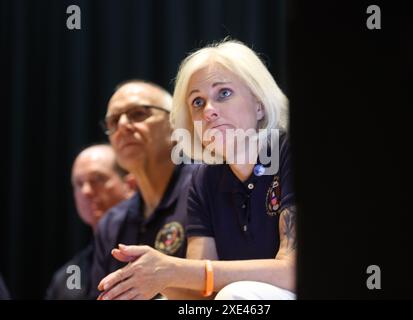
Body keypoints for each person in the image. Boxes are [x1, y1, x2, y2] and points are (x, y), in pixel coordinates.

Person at [96, 40, 297, 300]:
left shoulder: (289, 149)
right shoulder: (204, 178)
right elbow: (198, 293)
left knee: (238, 295)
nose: (209, 111)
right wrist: (150, 277)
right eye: (198, 102)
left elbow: (293, 271)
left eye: (223, 93)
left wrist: (174, 269)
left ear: (259, 104)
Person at [90, 80, 197, 299]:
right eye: (113, 121)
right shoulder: (111, 224)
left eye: (138, 114)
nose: (122, 126)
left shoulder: (206, 185)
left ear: (176, 124)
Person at [46, 144, 135, 299]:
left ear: (130, 185)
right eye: (79, 184)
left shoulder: (152, 254)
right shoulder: (66, 278)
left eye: (97, 178)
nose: (86, 191)